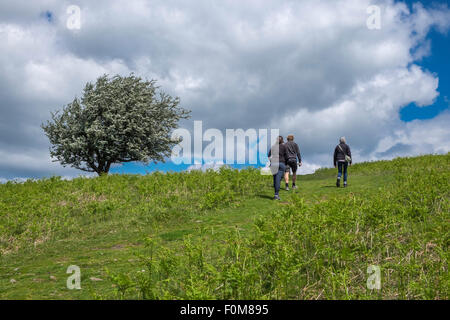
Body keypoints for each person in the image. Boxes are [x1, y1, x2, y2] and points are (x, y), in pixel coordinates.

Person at [268, 136, 288, 200]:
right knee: (278, 178)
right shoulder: (284, 147)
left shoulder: (273, 147)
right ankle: (276, 195)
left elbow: (268, 156)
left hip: (273, 164)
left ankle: (275, 188)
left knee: (275, 178)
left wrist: (271, 161)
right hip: (281, 163)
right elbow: (287, 156)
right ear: (282, 140)